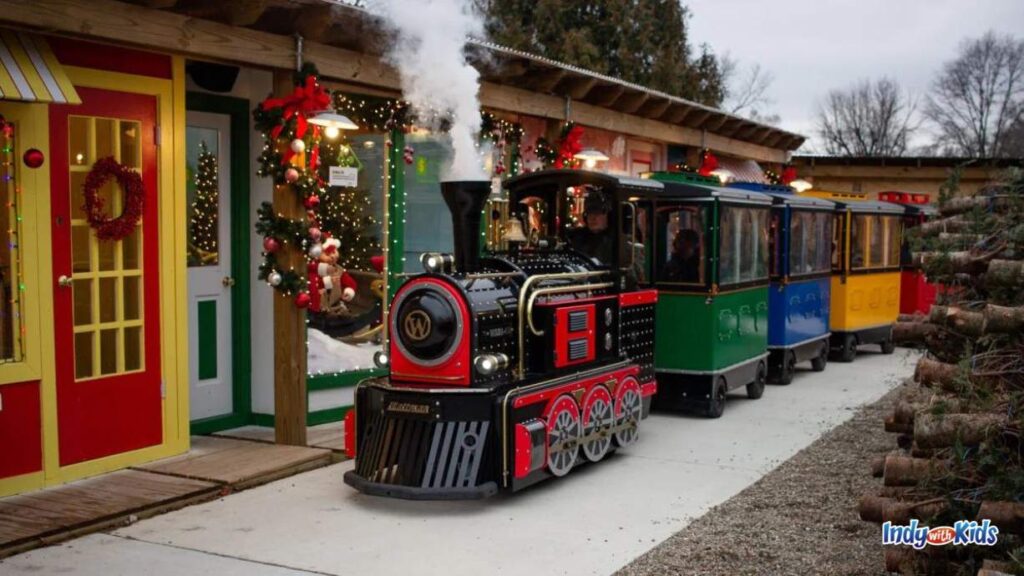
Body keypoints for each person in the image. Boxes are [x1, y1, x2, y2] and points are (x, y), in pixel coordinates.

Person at [569, 188, 614, 264]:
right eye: (589, 213)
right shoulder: (577, 237)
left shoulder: (618, 241)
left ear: (608, 216)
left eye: (597, 213)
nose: (592, 218)